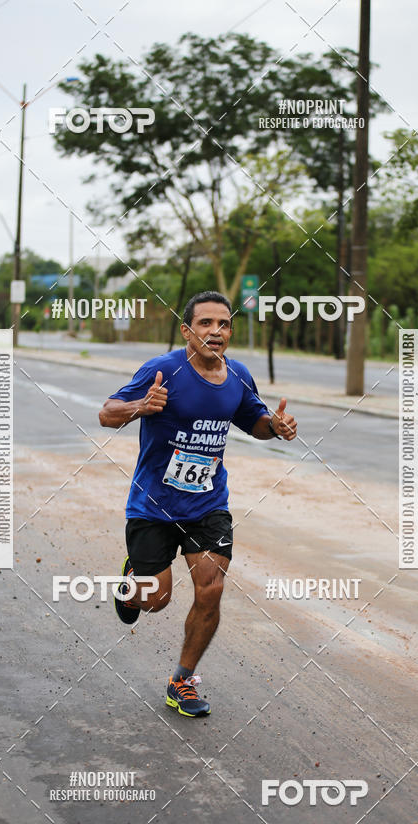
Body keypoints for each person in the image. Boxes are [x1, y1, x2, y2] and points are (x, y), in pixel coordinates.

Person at [99, 291, 297, 717]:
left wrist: (276, 426)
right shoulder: (162, 370)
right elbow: (107, 413)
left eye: (223, 324)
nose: (215, 331)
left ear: (231, 332)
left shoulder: (238, 375)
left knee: (212, 588)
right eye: (205, 323)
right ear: (187, 331)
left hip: (208, 504)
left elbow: (256, 423)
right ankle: (132, 583)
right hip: (153, 505)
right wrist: (141, 406)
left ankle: (182, 680)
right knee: (155, 600)